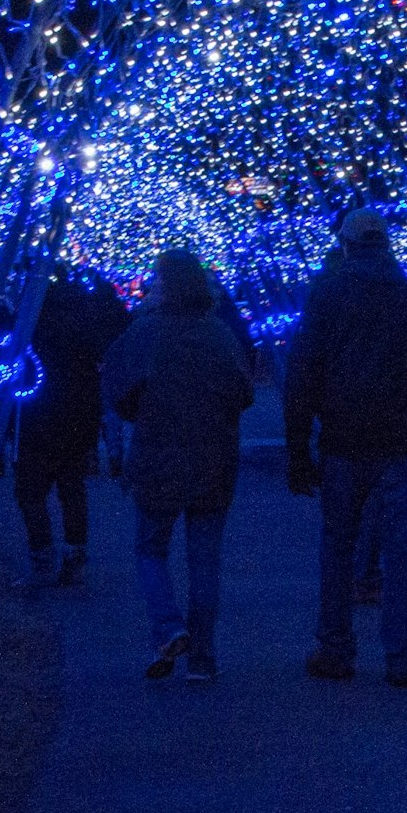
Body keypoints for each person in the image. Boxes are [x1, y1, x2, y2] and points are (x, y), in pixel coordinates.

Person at [281, 206, 407, 685]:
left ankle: (336, 649)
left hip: (342, 439)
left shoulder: (327, 294)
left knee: (338, 545)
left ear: (345, 245)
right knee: (401, 549)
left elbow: (303, 370)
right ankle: (402, 657)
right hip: (401, 441)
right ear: (387, 244)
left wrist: (298, 448)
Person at [101, 247, 253, 680]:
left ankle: (168, 626)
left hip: (157, 455)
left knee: (151, 549)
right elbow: (243, 392)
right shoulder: (219, 334)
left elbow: (117, 387)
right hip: (213, 457)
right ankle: (202, 658)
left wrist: (144, 413)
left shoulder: (146, 333)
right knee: (205, 560)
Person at [14, 265, 131, 587]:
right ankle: (74, 553)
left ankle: (42, 556)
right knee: (72, 487)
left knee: (30, 491)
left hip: (37, 410)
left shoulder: (32, 319)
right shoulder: (87, 314)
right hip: (79, 412)